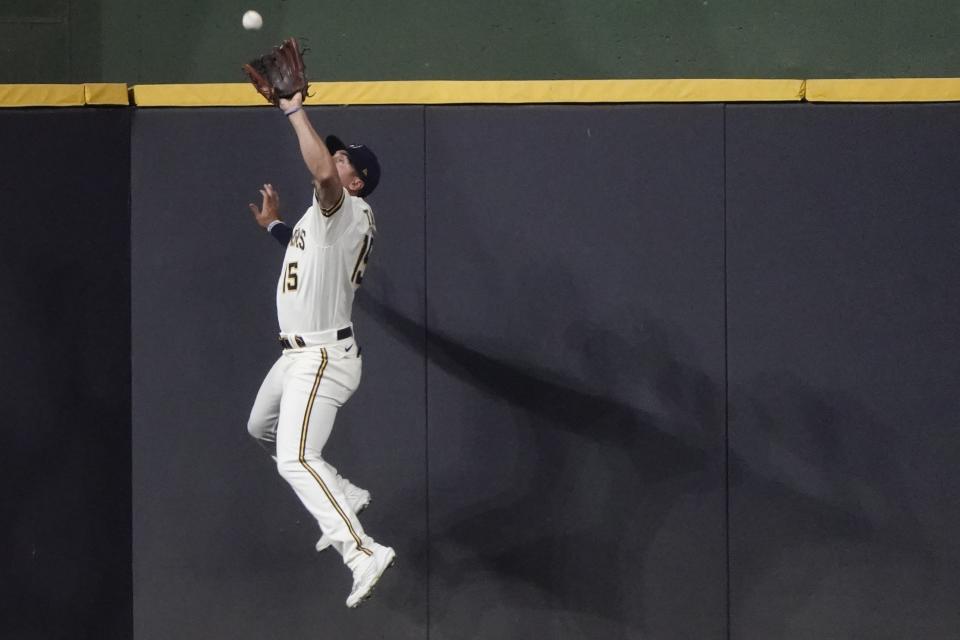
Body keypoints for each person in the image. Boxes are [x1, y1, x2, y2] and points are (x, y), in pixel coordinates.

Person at [245, 90, 393, 608]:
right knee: (260, 428)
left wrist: (293, 110)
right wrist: (274, 228)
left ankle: (362, 552)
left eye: (343, 158)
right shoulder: (327, 220)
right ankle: (343, 493)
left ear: (356, 182)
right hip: (297, 356)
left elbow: (325, 180)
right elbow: (305, 248)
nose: (332, 159)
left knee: (295, 458)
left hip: (322, 357)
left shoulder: (347, 207)